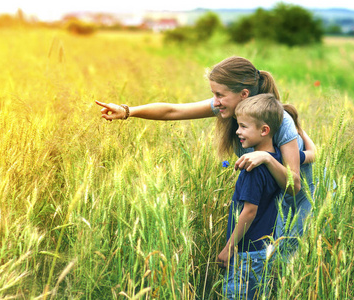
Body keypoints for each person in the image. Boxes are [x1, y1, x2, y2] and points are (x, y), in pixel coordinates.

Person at [96, 56, 315, 249]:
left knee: (283, 264)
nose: (215, 102)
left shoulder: (280, 121)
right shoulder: (235, 109)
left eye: (220, 94)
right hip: (265, 202)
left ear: (243, 94)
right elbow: (173, 110)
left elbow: (294, 185)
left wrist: (266, 158)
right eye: (213, 94)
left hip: (294, 202)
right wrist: (127, 111)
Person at [218, 93, 283, 299]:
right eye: (238, 125)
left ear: (265, 130)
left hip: (245, 254)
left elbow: (249, 211)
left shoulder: (252, 168)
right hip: (263, 251)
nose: (237, 131)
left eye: (243, 126)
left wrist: (229, 248)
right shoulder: (277, 160)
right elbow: (310, 152)